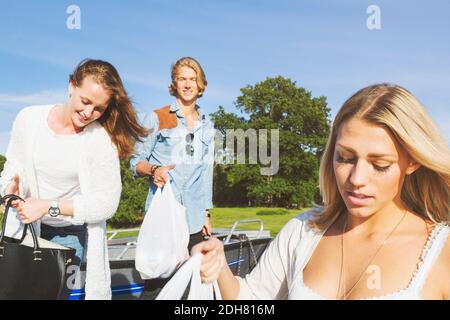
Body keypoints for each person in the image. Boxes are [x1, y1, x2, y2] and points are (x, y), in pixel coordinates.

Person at [192, 83, 450, 300]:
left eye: (379, 165)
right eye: (345, 158)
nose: (357, 179)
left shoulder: (442, 251)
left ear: (413, 161)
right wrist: (219, 266)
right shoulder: (303, 231)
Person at [0, 59, 148, 300]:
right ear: (71, 86)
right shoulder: (29, 119)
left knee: (52, 295)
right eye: (85, 101)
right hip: (24, 227)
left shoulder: (100, 140)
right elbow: (13, 166)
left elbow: (106, 204)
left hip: (69, 235)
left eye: (99, 108)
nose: (89, 113)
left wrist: (48, 205)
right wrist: (11, 186)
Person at [130, 57, 215, 298]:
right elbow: (135, 163)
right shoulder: (157, 117)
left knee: (195, 287)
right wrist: (155, 170)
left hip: (195, 218)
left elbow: (206, 172)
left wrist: (207, 213)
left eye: (193, 79)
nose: (188, 84)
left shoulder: (207, 125)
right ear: (174, 84)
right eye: (182, 79)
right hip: (164, 214)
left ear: (201, 85)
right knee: (157, 286)